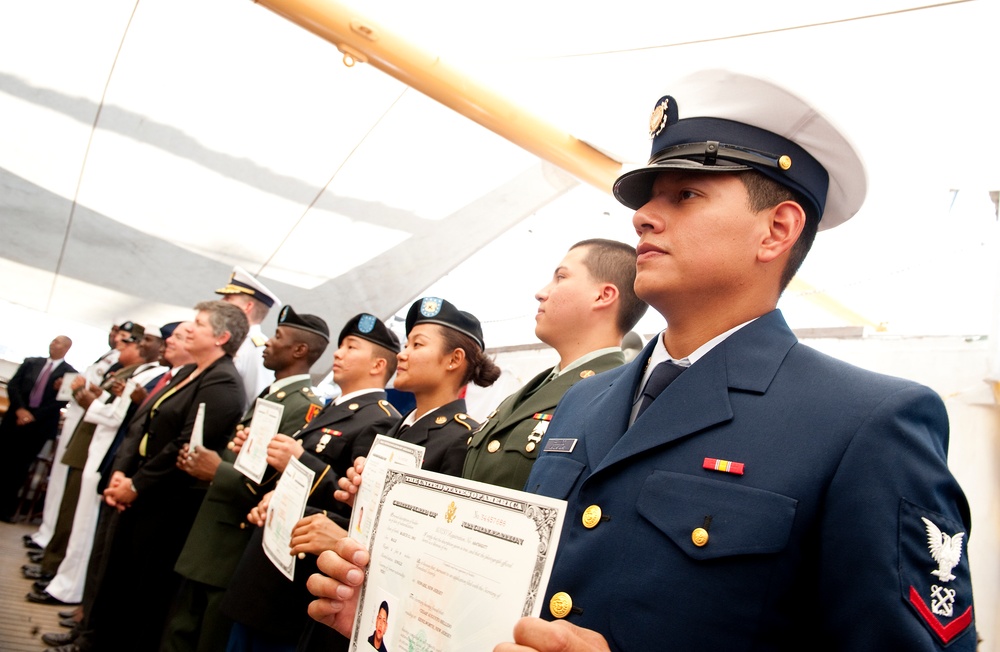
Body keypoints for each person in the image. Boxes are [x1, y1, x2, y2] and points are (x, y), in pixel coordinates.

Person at [304, 70, 977, 651]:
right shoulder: (585, 401)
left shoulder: (867, 423)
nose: (642, 218)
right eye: (648, 198)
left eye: (685, 194)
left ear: (777, 230)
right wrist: (401, 613)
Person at [221, 312, 402, 652]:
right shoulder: (331, 409)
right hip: (270, 562)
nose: (338, 353)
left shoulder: (379, 419)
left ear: (378, 365)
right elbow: (295, 480)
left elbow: (353, 503)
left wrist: (300, 458)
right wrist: (262, 460)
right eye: (341, 345)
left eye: (351, 347)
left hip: (295, 582)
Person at [160, 306, 330, 652]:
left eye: (278, 337)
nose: (267, 342)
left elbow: (275, 483)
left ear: (300, 350)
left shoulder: (304, 406)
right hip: (212, 536)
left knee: (204, 638)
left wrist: (216, 469)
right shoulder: (272, 394)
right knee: (178, 633)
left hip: (233, 540)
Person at [86, 301, 247, 650]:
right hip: (145, 494)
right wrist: (122, 477)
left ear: (221, 337)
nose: (189, 328)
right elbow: (145, 426)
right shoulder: (197, 372)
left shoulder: (222, 382)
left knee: (141, 596)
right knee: (121, 582)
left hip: (167, 504)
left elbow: (185, 444)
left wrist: (136, 484)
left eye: (199, 324)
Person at [463, 239, 646, 489]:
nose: (541, 292)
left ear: (603, 295)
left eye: (561, 277)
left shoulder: (621, 398)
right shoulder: (535, 389)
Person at [28, 327, 166, 607]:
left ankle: (68, 586)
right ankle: (62, 580)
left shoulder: (152, 376)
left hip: (109, 455)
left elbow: (119, 416)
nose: (137, 345)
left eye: (146, 341)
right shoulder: (142, 373)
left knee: (83, 524)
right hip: (95, 449)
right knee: (76, 519)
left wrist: (87, 396)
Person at [383, 297, 499, 475]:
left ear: (454, 359)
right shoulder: (399, 427)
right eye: (406, 345)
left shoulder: (464, 439)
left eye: (417, 344)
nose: (402, 355)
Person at [0, 335, 76, 521]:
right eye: (52, 341)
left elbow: (61, 401)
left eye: (58, 342)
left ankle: (6, 509)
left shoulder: (69, 374)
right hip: (14, 420)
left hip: (38, 427)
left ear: (66, 348)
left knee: (20, 467)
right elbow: (14, 386)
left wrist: (33, 416)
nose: (53, 344)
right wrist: (20, 410)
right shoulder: (31, 362)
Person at [216, 265, 281, 411]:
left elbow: (257, 404)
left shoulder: (257, 348)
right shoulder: (228, 339)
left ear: (247, 307)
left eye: (228, 297)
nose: (221, 301)